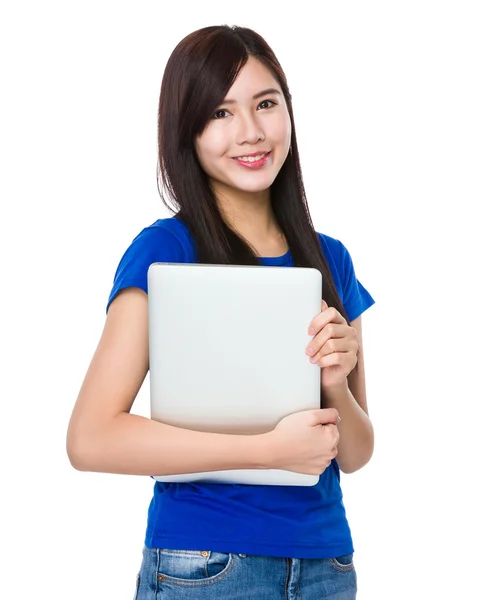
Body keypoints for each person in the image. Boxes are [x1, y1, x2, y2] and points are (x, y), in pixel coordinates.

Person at [66, 24, 375, 600]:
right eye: (220, 113)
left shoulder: (330, 259)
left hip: (326, 565)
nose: (251, 132)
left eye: (265, 104)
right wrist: (264, 452)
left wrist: (335, 382)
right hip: (207, 564)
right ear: (187, 131)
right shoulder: (166, 251)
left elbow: (356, 453)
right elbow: (90, 437)